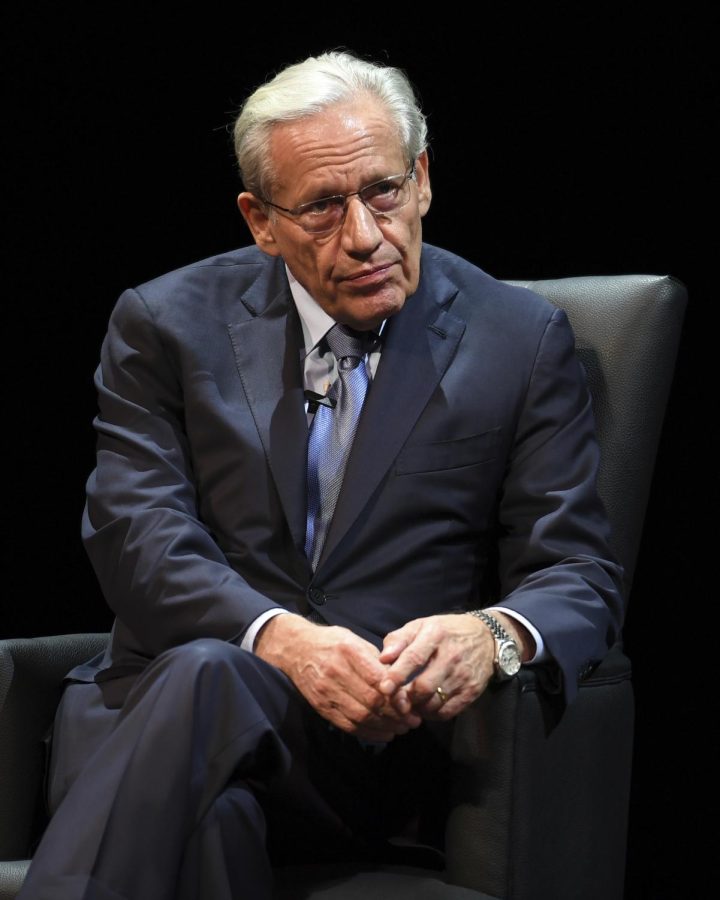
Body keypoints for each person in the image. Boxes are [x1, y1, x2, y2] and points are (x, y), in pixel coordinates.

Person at [18, 50, 624, 899]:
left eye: (383, 191)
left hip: (358, 754)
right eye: (323, 209)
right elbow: (135, 534)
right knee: (213, 778)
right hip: (153, 721)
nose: (367, 235)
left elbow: (581, 576)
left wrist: (491, 635)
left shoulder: (519, 341)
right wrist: (277, 638)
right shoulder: (164, 323)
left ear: (421, 179)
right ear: (260, 221)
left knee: (208, 718)